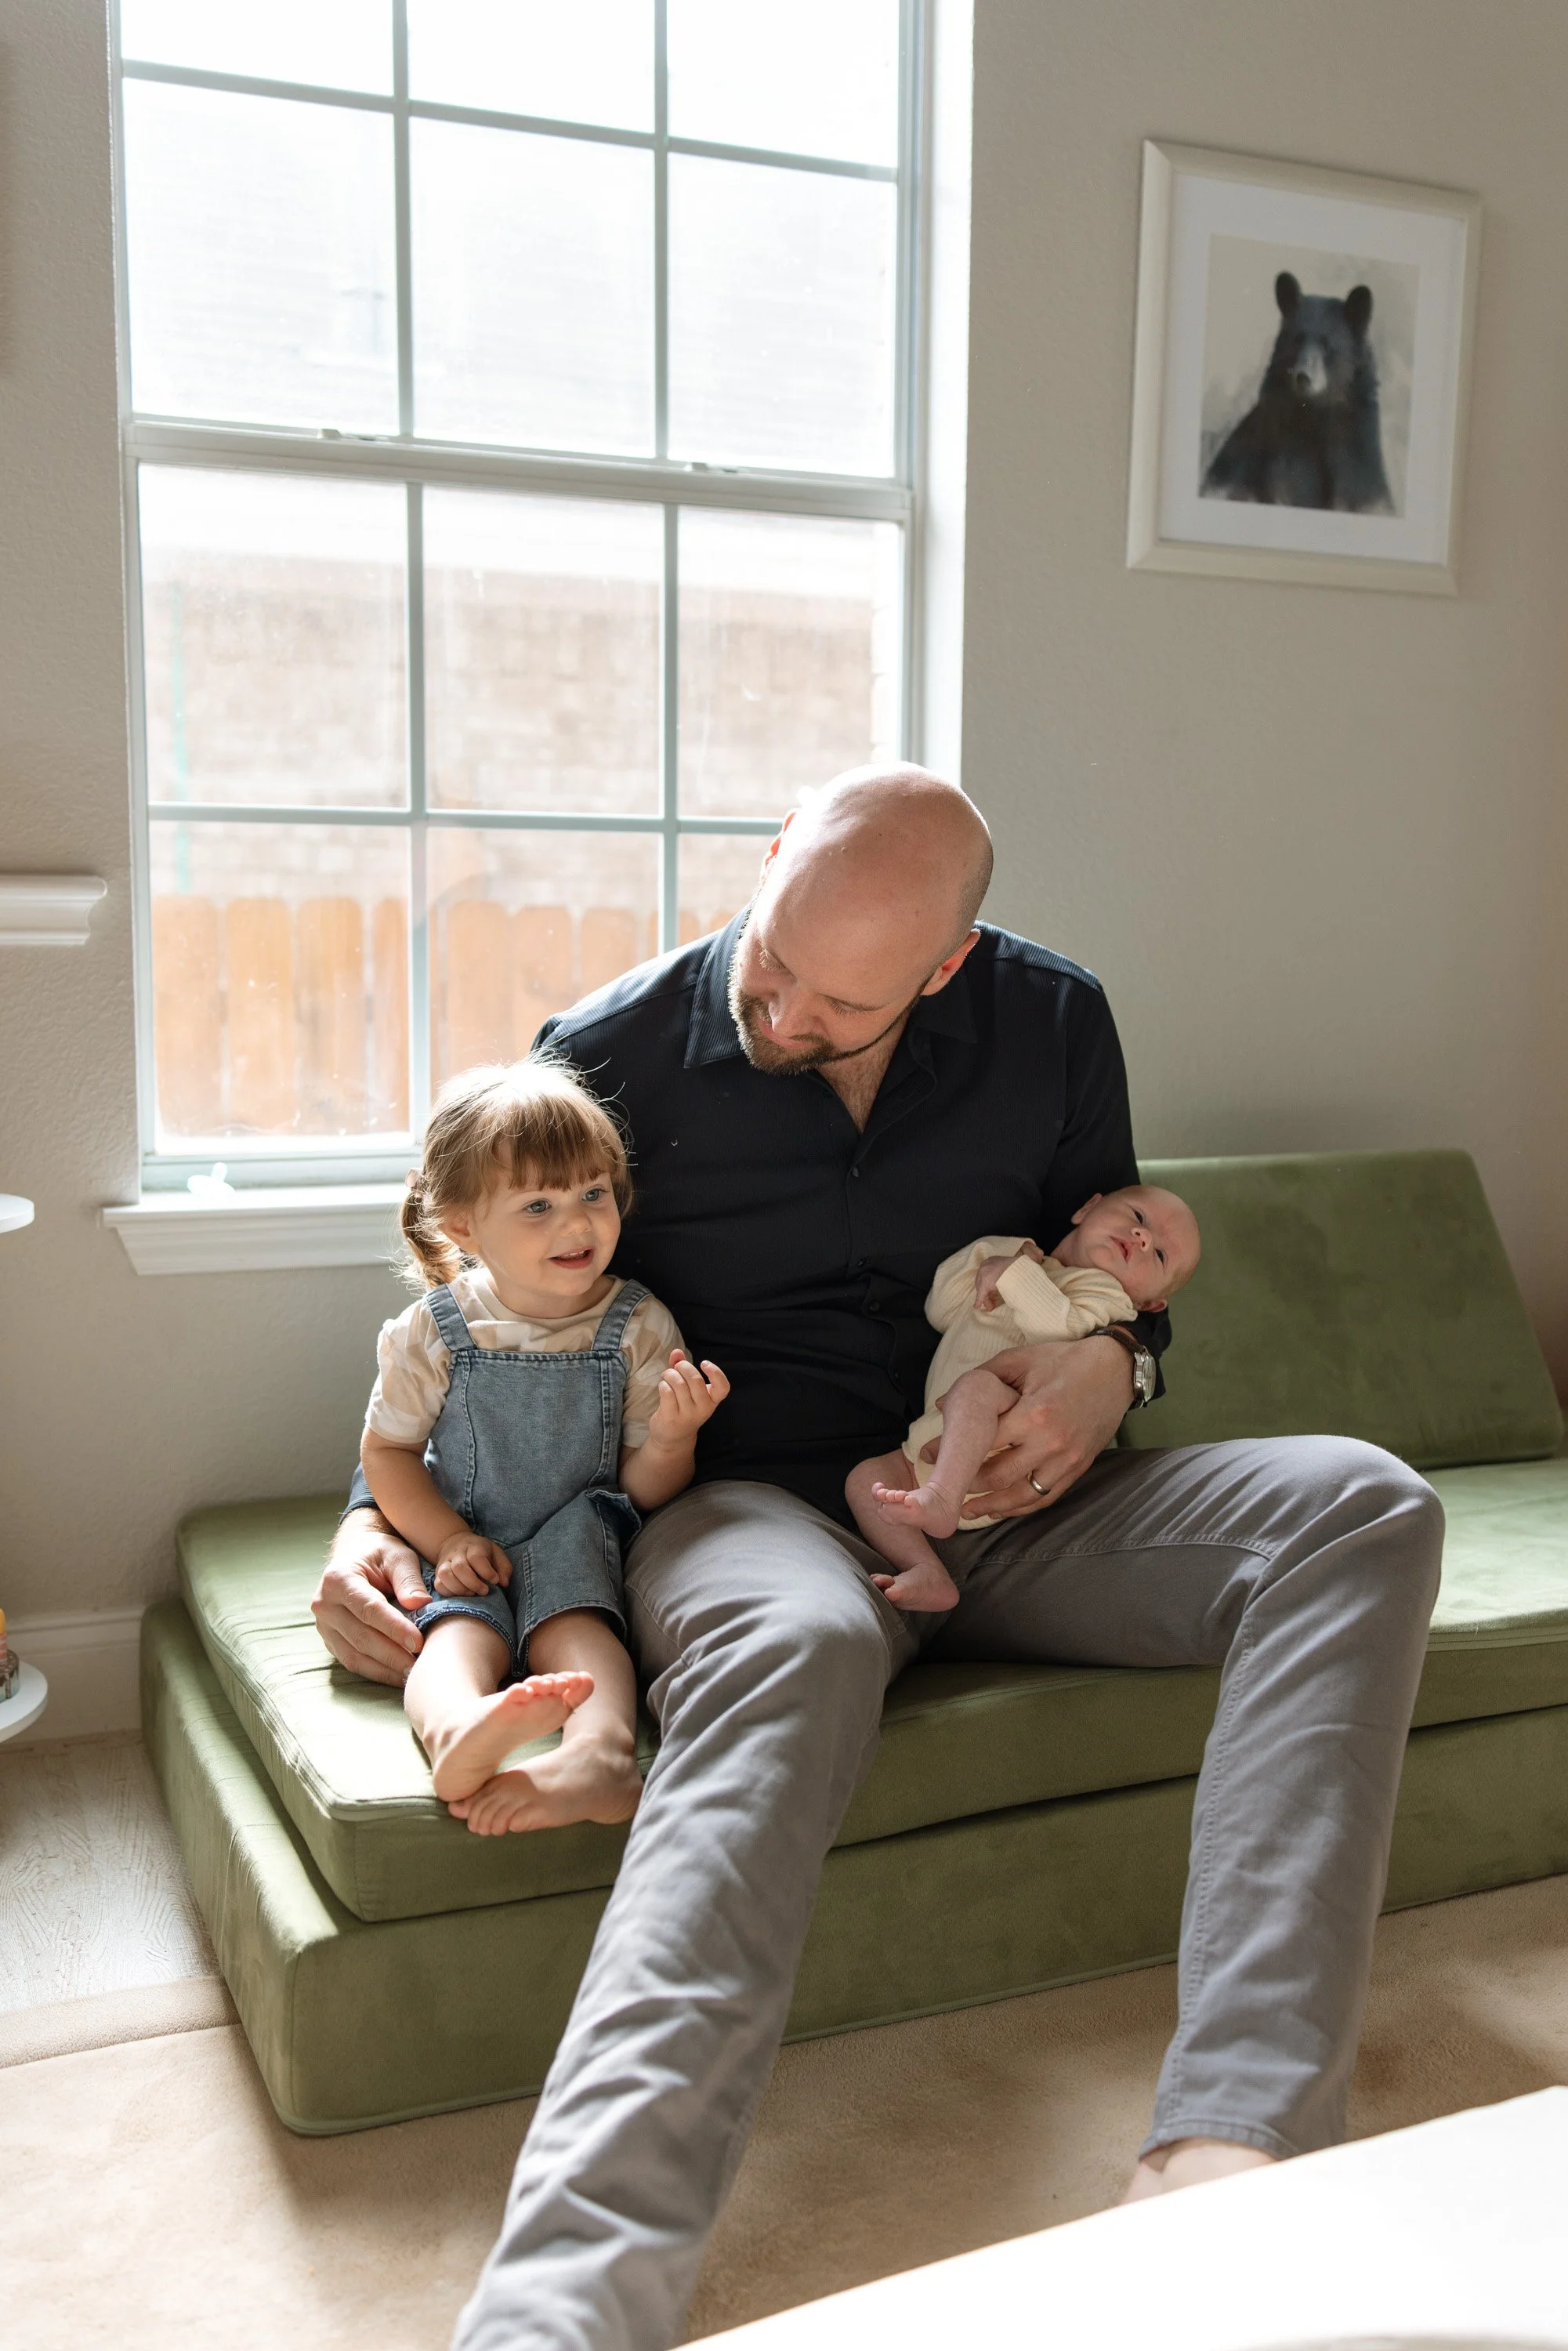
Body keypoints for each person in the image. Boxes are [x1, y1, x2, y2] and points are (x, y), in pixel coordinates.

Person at [313, 766, 1443, 2351]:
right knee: (803, 1645)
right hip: (756, 1512)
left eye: (837, 1003)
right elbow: (498, 1332)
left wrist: (1112, 1373)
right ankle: (562, 2310)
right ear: (770, 858)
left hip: (1011, 1501)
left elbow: (1117, 1273)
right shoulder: (611, 1054)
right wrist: (379, 1518)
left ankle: (1232, 2148)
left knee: (1365, 1505)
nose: (779, 1015)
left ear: (944, 966)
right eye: (770, 962)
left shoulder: (1053, 1022)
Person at [360, 1057, 728, 1836]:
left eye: (593, 1193)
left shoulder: (639, 1325)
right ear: (462, 1225)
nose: (578, 1222)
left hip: (576, 1534)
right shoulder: (434, 1330)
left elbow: (647, 1489)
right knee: (457, 1637)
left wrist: (673, 1435)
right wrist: (448, 1539)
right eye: (538, 1204)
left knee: (583, 1636)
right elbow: (387, 1454)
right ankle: (459, 1729)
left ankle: (600, 1758)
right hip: (468, 1533)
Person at [847, 1184, 1201, 1610]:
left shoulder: (1109, 1298)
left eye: (1160, 1255)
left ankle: (942, 1498)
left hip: (1011, 1449)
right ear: (1088, 1207)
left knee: (978, 1386)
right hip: (936, 1446)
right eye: (1138, 1217)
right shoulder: (1022, 1263)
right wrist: (995, 1258)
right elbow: (941, 1309)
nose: (1143, 1238)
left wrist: (1014, 1274)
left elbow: (1059, 1329)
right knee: (865, 1481)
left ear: (1152, 1303)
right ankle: (925, 1568)